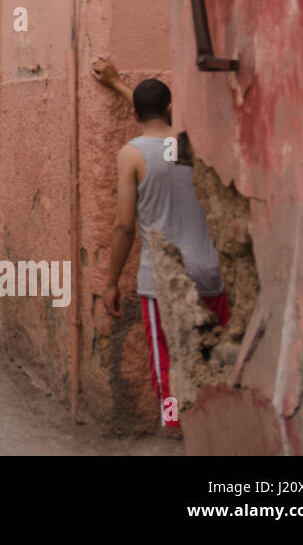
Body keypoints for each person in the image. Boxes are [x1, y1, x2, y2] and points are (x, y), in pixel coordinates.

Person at [92, 57, 228, 429]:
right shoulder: (194, 144)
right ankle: (217, 433)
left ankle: (176, 429)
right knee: (215, 360)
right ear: (170, 107)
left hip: (163, 283)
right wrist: (123, 86)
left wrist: (110, 282)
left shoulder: (132, 155)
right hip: (211, 275)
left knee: (168, 368)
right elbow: (166, 133)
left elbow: (124, 226)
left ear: (134, 111)